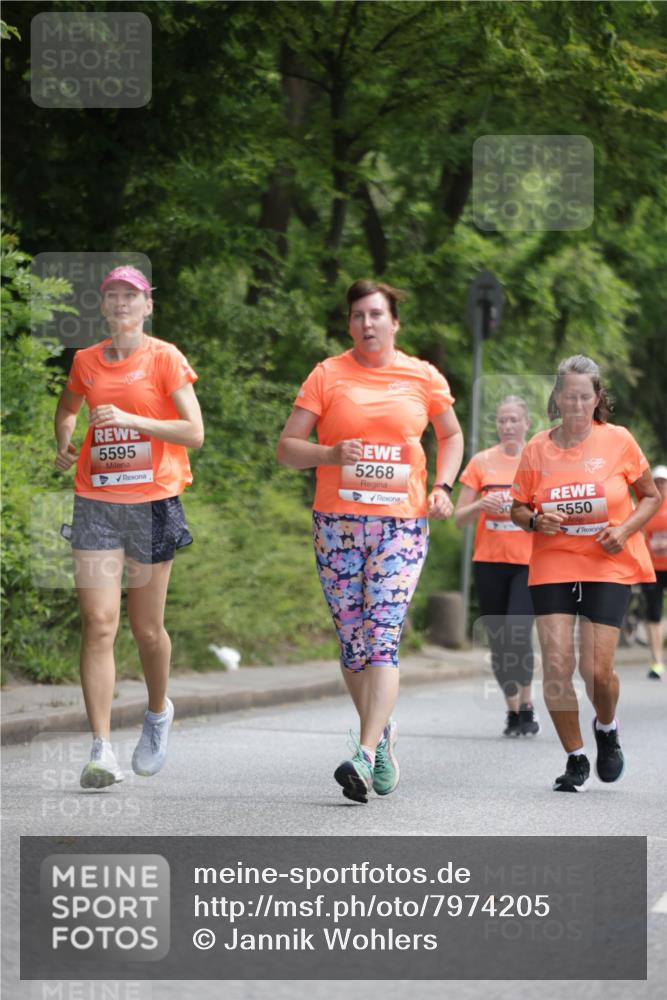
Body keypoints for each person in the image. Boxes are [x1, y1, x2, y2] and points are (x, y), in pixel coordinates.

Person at [276, 279, 463, 803]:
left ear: (394, 322)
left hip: (400, 525)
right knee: (353, 645)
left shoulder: (422, 376)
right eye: (358, 315)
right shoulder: (327, 374)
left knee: (382, 637)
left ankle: (361, 752)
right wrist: (330, 454)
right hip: (336, 524)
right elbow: (287, 448)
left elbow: (450, 435)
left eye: (376, 314)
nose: (367, 323)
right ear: (349, 324)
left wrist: (443, 486)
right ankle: (381, 736)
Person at [54, 266, 204, 789]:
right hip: (96, 502)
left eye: (131, 296)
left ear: (147, 306)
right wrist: (64, 439)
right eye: (113, 295)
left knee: (146, 630)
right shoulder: (86, 361)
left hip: (152, 503)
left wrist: (132, 420)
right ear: (103, 306)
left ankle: (158, 711)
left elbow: (194, 432)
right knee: (98, 623)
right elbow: (68, 408)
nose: (122, 303)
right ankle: (101, 749)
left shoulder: (165, 358)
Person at [511, 355, 659, 792]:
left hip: (607, 562)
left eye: (584, 397)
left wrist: (625, 530)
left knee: (597, 671)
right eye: (568, 396)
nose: (576, 405)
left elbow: (650, 496)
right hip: (553, 562)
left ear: (597, 399)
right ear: (557, 398)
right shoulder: (537, 448)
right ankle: (575, 758)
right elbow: (518, 506)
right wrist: (535, 520)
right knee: (558, 666)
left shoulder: (618, 440)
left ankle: (606, 727)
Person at [455, 396, 538, 737]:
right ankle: (512, 711)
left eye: (514, 420)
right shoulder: (481, 462)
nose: (508, 426)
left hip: (527, 563)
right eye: (502, 420)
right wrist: (479, 506)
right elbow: (459, 518)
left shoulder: (538, 463)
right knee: (499, 640)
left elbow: (553, 511)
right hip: (488, 562)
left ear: (526, 423)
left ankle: (527, 705)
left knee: (518, 631)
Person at [641, 465, 667, 679]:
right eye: (656, 481)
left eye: (663, 482)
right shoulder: (646, 505)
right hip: (651, 569)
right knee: (654, 613)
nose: (660, 485)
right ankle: (657, 662)